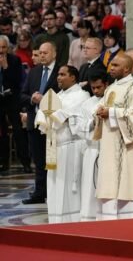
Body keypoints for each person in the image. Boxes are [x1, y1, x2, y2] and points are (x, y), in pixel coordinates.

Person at [94, 53, 133, 220]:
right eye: (111, 65)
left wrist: (110, 112)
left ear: (126, 69)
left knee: (127, 182)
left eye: (116, 65)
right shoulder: (110, 89)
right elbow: (100, 107)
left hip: (127, 147)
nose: (111, 68)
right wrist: (98, 112)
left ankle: (128, 220)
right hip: (109, 145)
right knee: (109, 183)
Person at [35, 65, 89, 223]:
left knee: (69, 186)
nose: (58, 77)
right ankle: (56, 219)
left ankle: (72, 220)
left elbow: (65, 113)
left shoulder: (81, 95)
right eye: (58, 74)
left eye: (62, 74)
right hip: (54, 147)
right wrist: (46, 114)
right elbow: (44, 110)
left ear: (73, 77)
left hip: (71, 147)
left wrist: (50, 114)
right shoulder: (58, 95)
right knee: (55, 184)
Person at [21, 42, 60, 204]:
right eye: (40, 53)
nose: (42, 55)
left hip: (53, 125)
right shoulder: (34, 72)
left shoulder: (61, 71)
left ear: (54, 54)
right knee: (38, 160)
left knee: (52, 160)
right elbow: (22, 94)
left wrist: (46, 100)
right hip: (34, 122)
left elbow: (64, 96)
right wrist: (32, 98)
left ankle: (54, 192)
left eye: (45, 53)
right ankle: (39, 193)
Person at [78, 73, 108, 221]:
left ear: (106, 85)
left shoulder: (111, 102)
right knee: (90, 186)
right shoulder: (87, 103)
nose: (95, 91)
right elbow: (79, 126)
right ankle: (89, 217)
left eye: (99, 87)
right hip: (92, 149)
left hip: (107, 150)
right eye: (93, 88)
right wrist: (92, 121)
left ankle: (105, 216)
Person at [0, 35, 31, 173]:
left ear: (8, 48)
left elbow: (16, 82)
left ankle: (25, 163)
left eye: (3, 47)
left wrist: (6, 68)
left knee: (18, 131)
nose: (1, 50)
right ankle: (4, 163)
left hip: (12, 100)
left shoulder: (15, 60)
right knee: (2, 133)